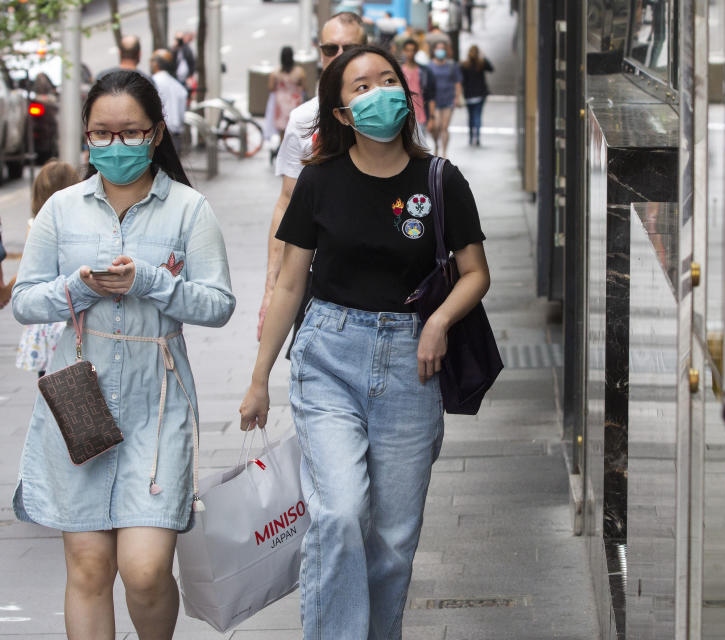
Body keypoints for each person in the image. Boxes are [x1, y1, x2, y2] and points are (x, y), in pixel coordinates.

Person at [239, 44, 490, 638]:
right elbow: (291, 281)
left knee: (394, 541)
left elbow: (476, 271)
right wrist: (258, 379)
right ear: (343, 114)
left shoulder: (440, 180)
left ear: (407, 96)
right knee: (340, 510)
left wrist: (437, 322)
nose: (377, 93)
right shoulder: (319, 181)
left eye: (387, 80)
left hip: (412, 365)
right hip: (329, 355)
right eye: (359, 87)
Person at [11, 70, 235, 639]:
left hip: (156, 404)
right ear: (86, 137)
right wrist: (79, 287)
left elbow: (218, 305)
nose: (116, 145)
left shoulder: (189, 209)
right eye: (102, 134)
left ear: (157, 132)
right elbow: (23, 301)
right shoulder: (62, 209)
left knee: (145, 569)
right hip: (79, 399)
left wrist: (153, 282)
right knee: (88, 566)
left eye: (130, 132)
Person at [258, 11, 367, 341]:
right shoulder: (303, 120)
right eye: (329, 48)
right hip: (319, 283)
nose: (338, 56)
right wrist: (270, 289)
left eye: (348, 48)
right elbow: (286, 202)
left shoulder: (388, 115)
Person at [14, 161, 81, 376]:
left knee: (49, 384)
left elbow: (30, 268)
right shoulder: (82, 222)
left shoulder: (35, 224)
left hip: (47, 316)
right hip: (73, 313)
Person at [427, 41, 462, 157]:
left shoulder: (451, 65)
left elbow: (457, 82)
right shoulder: (429, 66)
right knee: (435, 126)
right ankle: (436, 144)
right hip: (434, 100)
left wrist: (457, 97)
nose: (440, 51)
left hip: (448, 99)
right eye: (438, 48)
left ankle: (444, 152)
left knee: (444, 127)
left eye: (443, 48)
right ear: (434, 50)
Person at [150, 49, 188, 153]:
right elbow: (181, 115)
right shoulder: (178, 86)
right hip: (175, 136)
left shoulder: (153, 82)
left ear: (156, 64)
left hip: (159, 136)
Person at [400, 38, 437, 145]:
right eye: (407, 50)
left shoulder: (424, 71)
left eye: (412, 50)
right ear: (403, 51)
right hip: (403, 115)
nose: (410, 53)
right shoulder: (398, 70)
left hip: (421, 114)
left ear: (416, 52)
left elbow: (430, 95)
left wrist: (432, 117)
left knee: (421, 145)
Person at [460, 45, 493, 147]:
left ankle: (470, 138)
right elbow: (491, 68)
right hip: (479, 94)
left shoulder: (464, 65)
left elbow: (462, 81)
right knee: (477, 116)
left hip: (469, 94)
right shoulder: (481, 64)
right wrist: (484, 57)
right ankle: (477, 137)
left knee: (470, 117)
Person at [268, 46, 306, 135]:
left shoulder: (275, 73)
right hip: (295, 100)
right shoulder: (300, 72)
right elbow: (304, 87)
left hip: (280, 102)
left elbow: (271, 88)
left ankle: (282, 145)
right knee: (294, 127)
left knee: (282, 127)